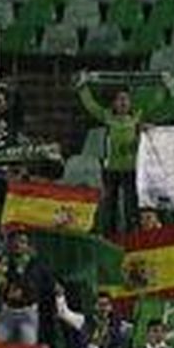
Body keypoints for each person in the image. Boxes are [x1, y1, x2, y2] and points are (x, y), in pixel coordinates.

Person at [74, 75, 143, 231]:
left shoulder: (137, 117)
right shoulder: (107, 116)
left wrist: (166, 89)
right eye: (119, 99)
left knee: (131, 206)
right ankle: (110, 235)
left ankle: (134, 236)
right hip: (111, 169)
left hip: (131, 169)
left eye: (126, 99)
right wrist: (83, 88)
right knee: (109, 205)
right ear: (114, 103)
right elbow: (91, 106)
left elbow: (156, 103)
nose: (123, 102)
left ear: (131, 102)